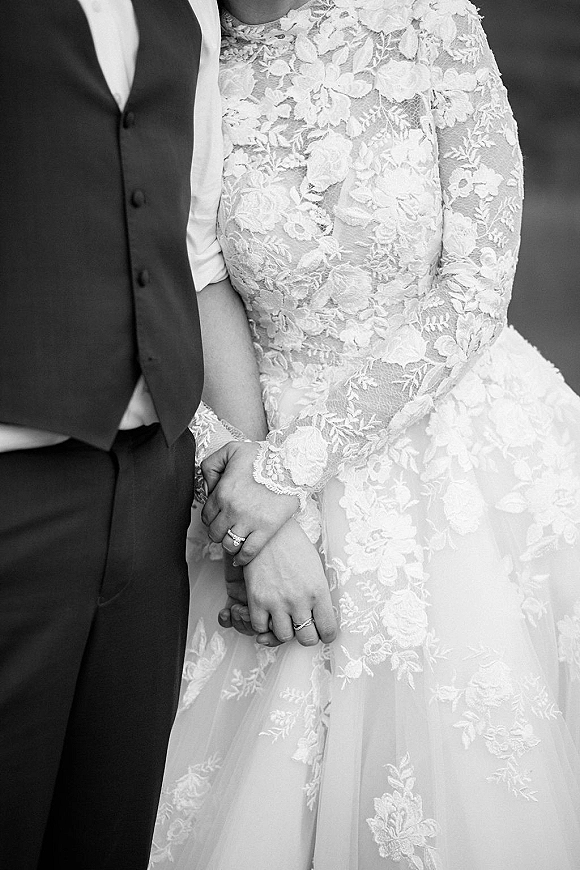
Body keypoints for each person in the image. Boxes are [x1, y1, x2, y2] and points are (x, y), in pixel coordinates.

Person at [152, 0, 580, 867]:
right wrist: (243, 489)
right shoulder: (176, 55)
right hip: (249, 434)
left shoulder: (430, 21)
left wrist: (287, 473)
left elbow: (475, 290)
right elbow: (172, 284)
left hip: (459, 456)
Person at [0, 2, 327, 868]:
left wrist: (261, 494)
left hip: (150, 500)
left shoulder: (190, 10)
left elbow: (194, 250)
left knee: (106, 838)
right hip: (13, 492)